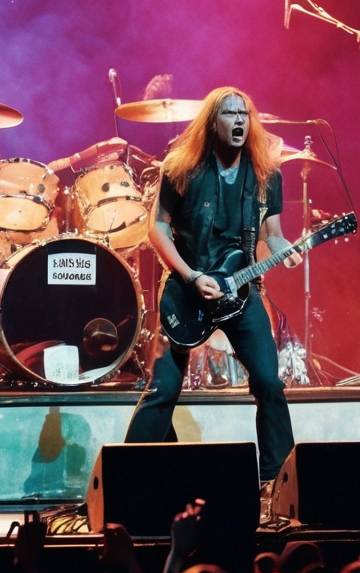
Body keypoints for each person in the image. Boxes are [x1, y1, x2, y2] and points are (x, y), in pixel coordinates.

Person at [124, 88, 302, 486]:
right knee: (163, 387)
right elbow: (158, 228)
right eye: (230, 114)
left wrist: (286, 249)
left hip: (240, 291)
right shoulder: (181, 167)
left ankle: (277, 484)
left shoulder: (266, 174)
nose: (240, 120)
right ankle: (128, 481)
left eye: (244, 113)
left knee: (269, 383)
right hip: (187, 290)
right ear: (212, 122)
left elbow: (272, 232)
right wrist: (190, 276)